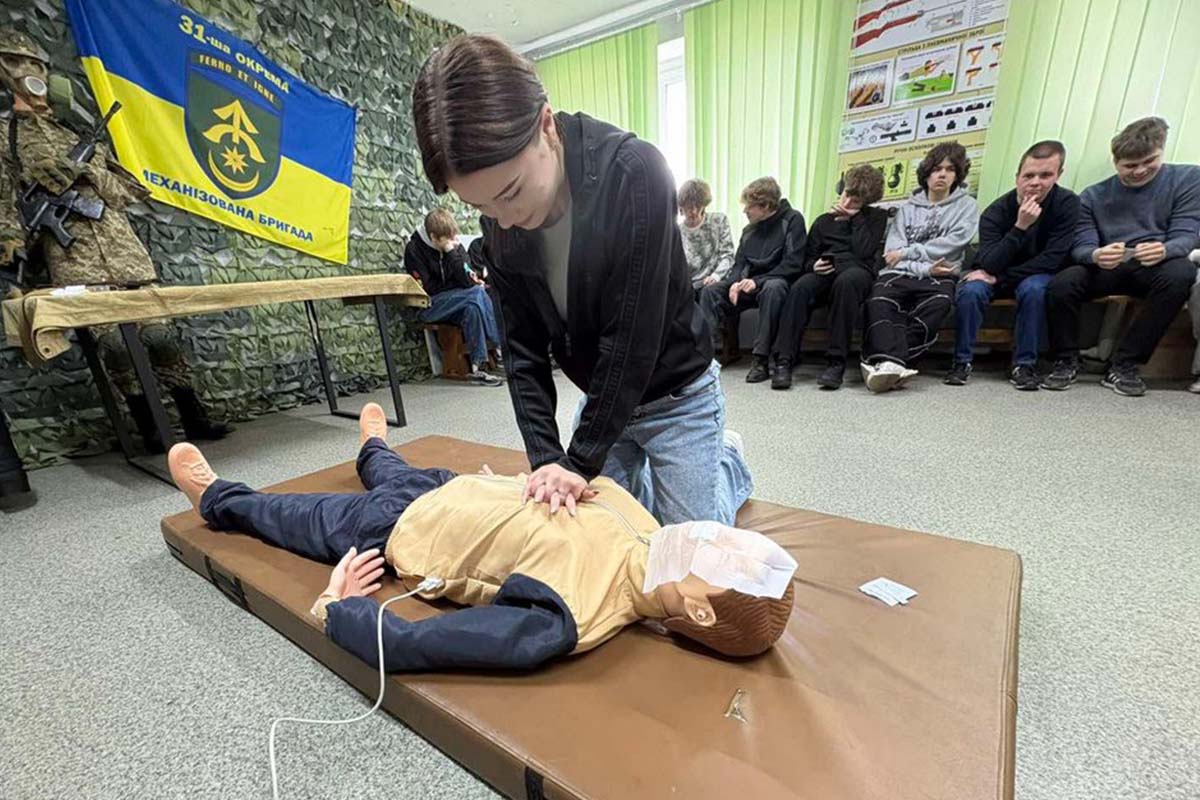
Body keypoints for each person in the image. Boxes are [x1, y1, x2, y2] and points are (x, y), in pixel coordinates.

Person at [168, 404, 795, 671]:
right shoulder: (652, 531)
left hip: (396, 530)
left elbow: (422, 644)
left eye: (725, 555)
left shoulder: (571, 615)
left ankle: (215, 498)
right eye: (733, 539)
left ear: (699, 608)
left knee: (283, 514)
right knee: (390, 467)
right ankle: (372, 446)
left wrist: (339, 609)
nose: (716, 535)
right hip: (457, 487)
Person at [411, 35, 750, 526]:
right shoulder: (500, 223)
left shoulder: (636, 174)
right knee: (596, 532)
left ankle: (727, 461)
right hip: (604, 397)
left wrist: (581, 459)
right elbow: (521, 351)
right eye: (479, 206)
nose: (504, 220)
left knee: (689, 550)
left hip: (677, 394)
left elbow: (632, 339)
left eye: (511, 192)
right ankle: (657, 479)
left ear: (546, 126)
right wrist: (547, 457)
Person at [0, 28, 228, 452]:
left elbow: (130, 191)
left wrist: (88, 171)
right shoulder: (6, 138)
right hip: (75, 260)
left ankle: (193, 417)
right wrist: (13, 260)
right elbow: (5, 204)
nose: (28, 73)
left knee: (160, 338)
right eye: (15, 63)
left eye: (35, 65)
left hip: (125, 253)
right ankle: (149, 426)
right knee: (115, 346)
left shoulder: (74, 132)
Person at [1043, 117, 1200, 396]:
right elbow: (1081, 246)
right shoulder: (1093, 196)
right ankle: (1065, 359)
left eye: (1149, 161)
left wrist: (1166, 249)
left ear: (1161, 151)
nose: (1139, 171)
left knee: (1181, 273)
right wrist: (1095, 255)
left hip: (1157, 266)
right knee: (1062, 283)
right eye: (1130, 165)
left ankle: (1126, 364)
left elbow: (1187, 234)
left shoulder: (1188, 180)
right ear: (1116, 162)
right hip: (1109, 266)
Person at [945, 141, 1080, 390]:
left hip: (1034, 274)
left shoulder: (1067, 204)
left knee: (1034, 289)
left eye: (1045, 175)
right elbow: (989, 262)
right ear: (1017, 177)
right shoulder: (995, 212)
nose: (1035, 182)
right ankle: (961, 362)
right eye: (1029, 176)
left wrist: (1001, 277)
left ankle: (1024, 365)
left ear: (1058, 175)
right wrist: (1020, 227)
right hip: (994, 271)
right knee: (972, 290)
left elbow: (1054, 259)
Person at [860, 141, 978, 393]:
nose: (942, 174)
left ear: (957, 175)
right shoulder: (906, 209)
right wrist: (923, 267)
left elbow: (950, 245)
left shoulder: (967, 206)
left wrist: (907, 253)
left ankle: (885, 362)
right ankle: (895, 364)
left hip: (941, 274)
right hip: (904, 272)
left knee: (938, 304)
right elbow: (892, 253)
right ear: (926, 173)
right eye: (936, 169)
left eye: (949, 169)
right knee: (879, 301)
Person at [770, 165, 888, 391]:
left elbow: (864, 251)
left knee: (847, 282)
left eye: (856, 200)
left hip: (857, 272)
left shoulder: (875, 218)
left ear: (865, 201)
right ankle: (784, 360)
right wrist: (813, 265)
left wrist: (855, 219)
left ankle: (836, 362)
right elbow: (807, 258)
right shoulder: (823, 221)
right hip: (826, 272)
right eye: (846, 194)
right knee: (801, 286)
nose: (848, 201)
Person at [699, 177, 807, 384]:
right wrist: (734, 283)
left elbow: (793, 264)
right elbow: (739, 264)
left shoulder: (792, 220)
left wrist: (758, 281)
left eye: (749, 206)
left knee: (773, 288)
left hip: (776, 282)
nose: (744, 211)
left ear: (765, 206)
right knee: (710, 291)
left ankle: (760, 360)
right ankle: (705, 357)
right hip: (748, 284)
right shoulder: (749, 230)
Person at [403, 208, 503, 387]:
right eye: (446, 240)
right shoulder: (414, 249)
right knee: (476, 293)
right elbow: (426, 289)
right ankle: (502, 348)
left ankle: (478, 366)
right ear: (433, 238)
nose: (451, 243)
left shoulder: (455, 248)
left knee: (472, 306)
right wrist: (456, 284)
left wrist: (451, 254)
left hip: (459, 302)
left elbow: (469, 281)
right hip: (428, 306)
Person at [677, 178, 735, 296]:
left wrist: (716, 276)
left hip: (714, 282)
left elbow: (728, 256)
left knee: (708, 293)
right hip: (689, 286)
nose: (694, 211)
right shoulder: (677, 232)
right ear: (682, 206)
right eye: (689, 207)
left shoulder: (719, 221)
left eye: (698, 206)